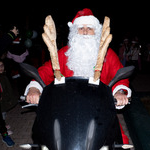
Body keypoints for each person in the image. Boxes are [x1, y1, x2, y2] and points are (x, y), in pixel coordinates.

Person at [24, 8, 131, 144]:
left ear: (96, 32)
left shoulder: (108, 54)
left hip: (99, 111)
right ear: (75, 32)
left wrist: (120, 92)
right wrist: (34, 89)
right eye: (81, 28)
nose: (85, 31)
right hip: (64, 111)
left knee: (118, 142)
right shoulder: (63, 54)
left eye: (89, 28)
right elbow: (44, 72)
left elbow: (119, 76)